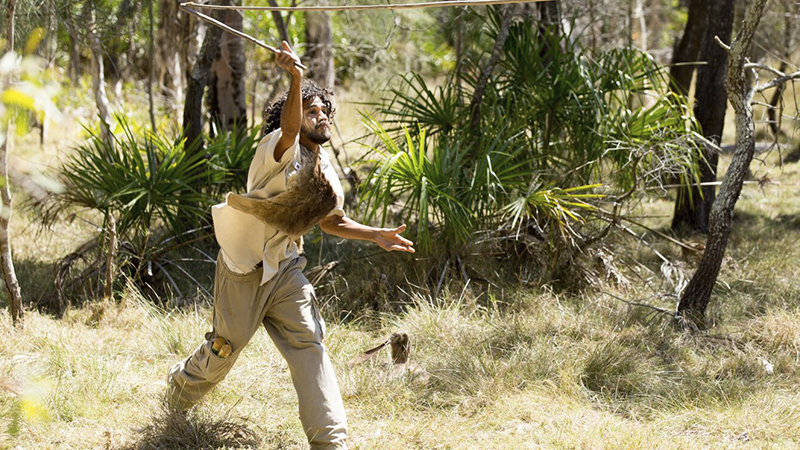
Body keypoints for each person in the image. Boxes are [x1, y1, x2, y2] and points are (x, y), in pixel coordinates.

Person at [166, 41, 415, 450]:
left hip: (285, 269)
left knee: (310, 345)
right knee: (224, 350)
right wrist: (297, 77)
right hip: (244, 269)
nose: (319, 116)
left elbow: (332, 222)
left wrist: (376, 234)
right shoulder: (275, 150)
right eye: (310, 109)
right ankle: (176, 393)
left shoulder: (324, 168)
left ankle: (330, 443)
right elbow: (290, 129)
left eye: (324, 111)